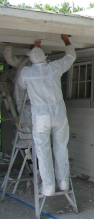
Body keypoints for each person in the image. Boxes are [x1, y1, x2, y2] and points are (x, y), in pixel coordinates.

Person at [18, 34, 76, 196]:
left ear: (32, 59)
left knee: (43, 151)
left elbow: (22, 86)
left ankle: (48, 187)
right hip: (58, 112)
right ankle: (63, 183)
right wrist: (65, 40)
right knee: (61, 147)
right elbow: (71, 56)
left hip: (40, 114)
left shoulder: (27, 72)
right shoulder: (54, 67)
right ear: (44, 57)